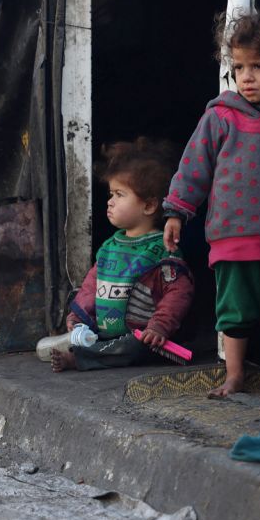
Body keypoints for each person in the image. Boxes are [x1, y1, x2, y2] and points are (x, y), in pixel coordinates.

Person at [163, 8, 260, 399]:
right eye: (239, 68)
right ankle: (234, 373)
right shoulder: (221, 118)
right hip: (231, 238)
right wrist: (176, 212)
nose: (246, 77)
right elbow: (193, 167)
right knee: (233, 313)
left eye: (258, 66)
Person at [53, 138, 194, 372]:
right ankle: (87, 352)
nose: (109, 202)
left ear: (149, 206)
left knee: (132, 346)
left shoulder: (162, 250)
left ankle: (80, 360)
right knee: (88, 337)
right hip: (105, 334)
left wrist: (158, 327)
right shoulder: (110, 246)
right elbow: (91, 286)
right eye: (111, 193)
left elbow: (178, 294)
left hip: (143, 338)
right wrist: (78, 318)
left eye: (119, 194)